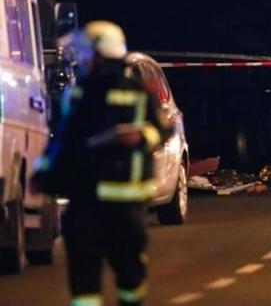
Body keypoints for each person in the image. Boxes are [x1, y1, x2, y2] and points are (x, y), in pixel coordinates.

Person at [32, 21, 170, 306]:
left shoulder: (138, 93)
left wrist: (141, 136)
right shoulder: (80, 94)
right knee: (84, 272)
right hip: (88, 197)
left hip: (125, 199)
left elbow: (163, 128)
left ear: (100, 54)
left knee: (128, 268)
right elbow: (63, 139)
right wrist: (45, 173)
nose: (82, 60)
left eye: (86, 54)